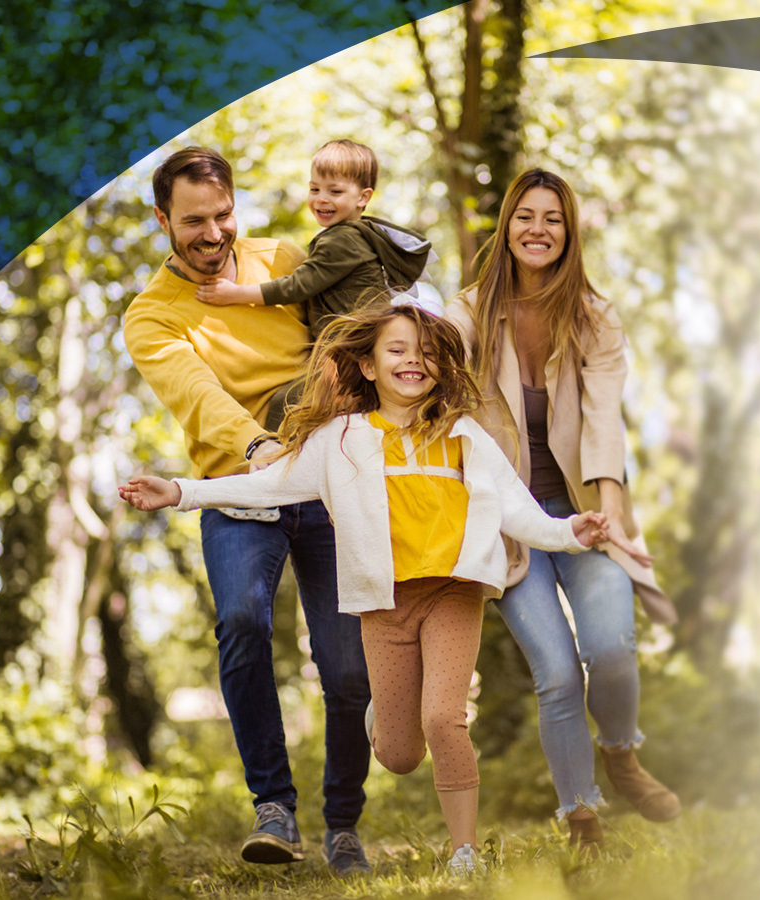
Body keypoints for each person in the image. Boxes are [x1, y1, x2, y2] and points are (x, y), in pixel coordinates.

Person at [120, 303, 643, 876]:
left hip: (453, 593)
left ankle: (464, 852)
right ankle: (384, 717)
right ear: (367, 366)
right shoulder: (340, 438)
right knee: (398, 754)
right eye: (396, 350)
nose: (413, 361)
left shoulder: (463, 435)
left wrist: (573, 530)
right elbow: (269, 485)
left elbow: (521, 515)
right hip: (384, 605)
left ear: (440, 366)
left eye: (424, 352)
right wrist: (180, 491)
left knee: (445, 719)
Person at [120, 146, 372, 874]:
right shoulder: (151, 317)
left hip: (324, 481)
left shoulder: (284, 261)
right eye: (193, 221)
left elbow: (337, 344)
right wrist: (260, 447)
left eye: (223, 216)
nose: (211, 234)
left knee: (348, 665)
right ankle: (274, 807)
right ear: (163, 219)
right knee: (240, 621)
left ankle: (344, 823)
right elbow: (199, 396)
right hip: (236, 484)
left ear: (236, 208)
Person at [445, 168, 682, 850]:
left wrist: (612, 520)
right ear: (507, 226)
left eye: (552, 218)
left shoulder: (594, 317)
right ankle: (582, 817)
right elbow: (428, 366)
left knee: (610, 646)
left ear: (569, 232)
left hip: (584, 507)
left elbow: (605, 418)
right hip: (511, 520)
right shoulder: (467, 314)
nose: (538, 229)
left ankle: (622, 753)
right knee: (554, 672)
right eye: (526, 216)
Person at [195, 138, 437, 433]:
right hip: (356, 346)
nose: (321, 199)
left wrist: (235, 293)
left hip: (353, 349)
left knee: (288, 403)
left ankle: (271, 462)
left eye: (335, 191)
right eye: (314, 189)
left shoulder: (342, 239)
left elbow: (297, 286)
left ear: (363, 197)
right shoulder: (354, 234)